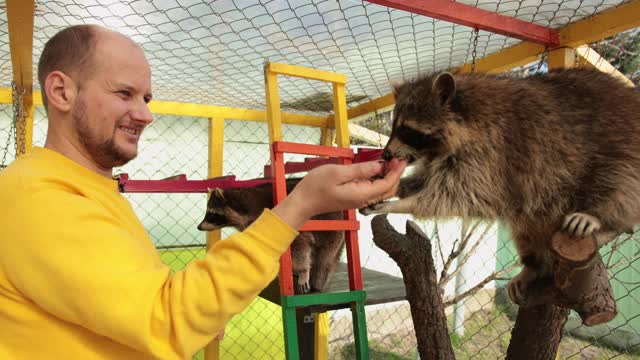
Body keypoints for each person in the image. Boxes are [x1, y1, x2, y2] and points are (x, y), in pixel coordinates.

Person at [0, 24, 406, 359]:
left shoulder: (87, 187)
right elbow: (165, 320)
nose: (145, 114)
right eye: (123, 93)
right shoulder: (39, 196)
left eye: (145, 98)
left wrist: (202, 310)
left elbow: (143, 300)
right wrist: (300, 205)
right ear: (61, 92)